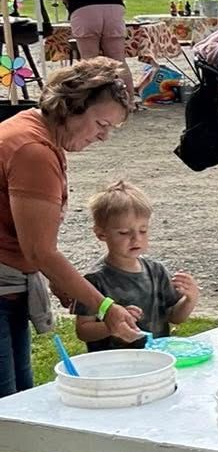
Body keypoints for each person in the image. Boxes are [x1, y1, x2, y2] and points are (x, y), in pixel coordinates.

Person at [0, 60, 142, 398]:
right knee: (7, 417)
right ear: (72, 107)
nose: (104, 136)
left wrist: (63, 284)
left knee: (18, 406)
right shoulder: (33, 150)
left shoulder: (33, 132)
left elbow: (30, 241)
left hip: (9, 288)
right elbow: (41, 251)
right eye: (101, 124)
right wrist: (104, 307)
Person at [73, 180, 200, 452]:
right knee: (107, 438)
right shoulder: (95, 280)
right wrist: (110, 325)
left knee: (155, 430)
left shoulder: (156, 271)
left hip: (154, 372)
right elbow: (84, 330)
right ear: (101, 233)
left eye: (142, 230)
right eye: (124, 232)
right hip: (110, 377)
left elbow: (174, 317)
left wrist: (189, 299)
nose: (136, 239)